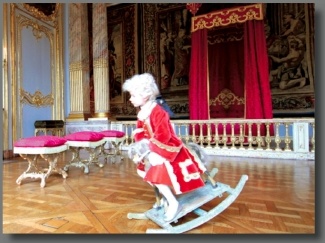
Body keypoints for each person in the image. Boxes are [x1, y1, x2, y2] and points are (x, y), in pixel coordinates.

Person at [122, 73, 207, 222]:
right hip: (151, 148)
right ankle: (165, 197)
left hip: (167, 148)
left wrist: (152, 151)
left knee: (156, 173)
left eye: (133, 95)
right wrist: (143, 148)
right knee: (143, 172)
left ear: (146, 96)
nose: (130, 99)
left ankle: (173, 202)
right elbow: (140, 132)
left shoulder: (158, 112)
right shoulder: (142, 112)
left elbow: (164, 135)